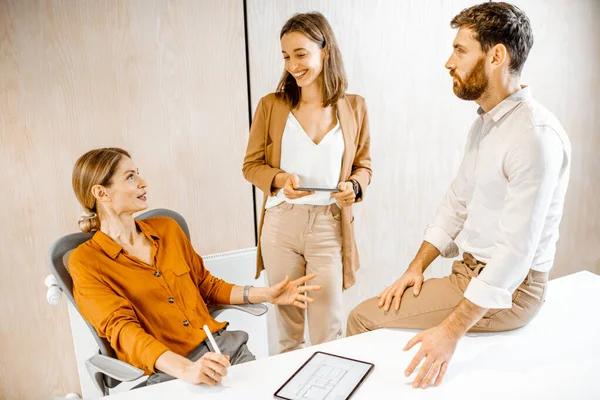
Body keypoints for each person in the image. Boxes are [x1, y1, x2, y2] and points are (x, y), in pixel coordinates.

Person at [346, 2, 571, 389]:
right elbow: (456, 204)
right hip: (468, 271)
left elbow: (515, 254)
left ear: (496, 55)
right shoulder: (486, 125)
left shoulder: (534, 137)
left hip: (513, 291)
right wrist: (416, 266)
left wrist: (449, 333)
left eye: (460, 50)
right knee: (381, 311)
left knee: (362, 319)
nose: (449, 62)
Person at [69, 147, 321, 387]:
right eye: (130, 177)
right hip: (172, 372)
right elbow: (123, 331)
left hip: (225, 349)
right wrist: (186, 369)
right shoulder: (86, 261)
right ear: (101, 193)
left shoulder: (167, 229)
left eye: (138, 173)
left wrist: (266, 294)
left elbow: (206, 286)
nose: (143, 182)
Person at [242, 12, 372, 353]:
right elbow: (251, 166)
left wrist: (354, 188)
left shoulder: (354, 107)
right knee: (288, 334)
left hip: (328, 227)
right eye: (286, 56)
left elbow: (364, 167)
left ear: (325, 50)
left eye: (301, 54)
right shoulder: (272, 106)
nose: (292, 65)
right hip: (281, 223)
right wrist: (280, 179)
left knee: (328, 331)